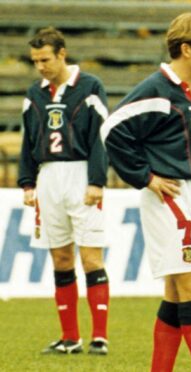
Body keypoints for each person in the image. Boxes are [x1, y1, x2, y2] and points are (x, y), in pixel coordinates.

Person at [100, 13, 191, 372]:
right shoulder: (157, 88)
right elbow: (112, 130)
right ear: (186, 49)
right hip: (171, 194)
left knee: (175, 293)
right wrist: (144, 177)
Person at [17, 27, 110, 355]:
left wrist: (98, 180)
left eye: (45, 59)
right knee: (60, 256)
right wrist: (27, 182)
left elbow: (101, 135)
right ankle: (70, 337)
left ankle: (100, 336)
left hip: (81, 173)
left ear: (62, 54)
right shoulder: (34, 92)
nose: (40, 66)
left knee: (90, 255)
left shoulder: (89, 86)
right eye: (35, 61)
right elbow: (28, 141)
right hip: (48, 178)